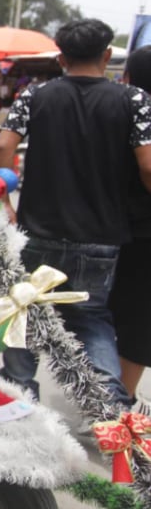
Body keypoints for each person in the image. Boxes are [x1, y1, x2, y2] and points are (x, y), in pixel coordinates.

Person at [0, 19, 151, 411]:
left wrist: (5, 203)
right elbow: (147, 167)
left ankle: (18, 396)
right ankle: (111, 410)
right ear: (107, 55)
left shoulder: (35, 95)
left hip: (37, 231)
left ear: (61, 57)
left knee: (26, 310)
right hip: (101, 236)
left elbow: (2, 148)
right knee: (92, 319)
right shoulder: (133, 100)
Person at [108, 46, 151, 413]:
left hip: (104, 225)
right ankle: (121, 400)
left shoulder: (116, 110)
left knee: (100, 313)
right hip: (143, 233)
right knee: (138, 318)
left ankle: (106, 397)